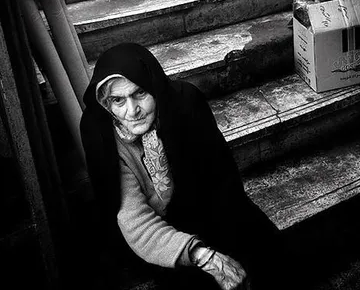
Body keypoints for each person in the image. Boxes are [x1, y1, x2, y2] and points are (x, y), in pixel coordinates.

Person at [80, 42, 288, 290]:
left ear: (154, 88)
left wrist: (228, 246)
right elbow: (134, 219)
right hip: (156, 234)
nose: (132, 110)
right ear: (105, 103)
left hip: (206, 207)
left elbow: (223, 183)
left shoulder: (185, 103)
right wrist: (205, 257)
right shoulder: (101, 134)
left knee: (264, 256)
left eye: (140, 93)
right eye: (117, 100)